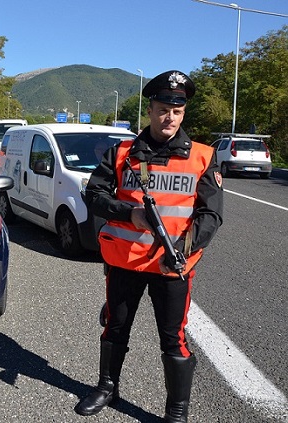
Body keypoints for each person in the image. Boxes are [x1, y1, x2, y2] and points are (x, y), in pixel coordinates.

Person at [75, 71, 224, 422]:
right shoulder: (122, 152)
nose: (169, 117)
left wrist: (182, 252)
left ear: (183, 112)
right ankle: (107, 388)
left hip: (172, 267)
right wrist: (130, 214)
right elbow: (93, 195)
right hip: (125, 261)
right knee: (115, 327)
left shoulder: (203, 156)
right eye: (162, 109)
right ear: (151, 110)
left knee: (173, 339)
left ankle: (176, 410)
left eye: (176, 110)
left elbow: (211, 216)